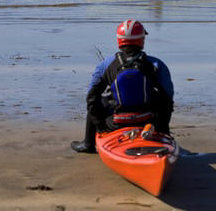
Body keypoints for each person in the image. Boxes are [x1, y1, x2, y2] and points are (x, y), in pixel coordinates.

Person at [70, 19, 174, 153]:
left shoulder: (105, 65)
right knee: (159, 98)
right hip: (148, 121)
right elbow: (168, 98)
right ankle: (164, 134)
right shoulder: (157, 65)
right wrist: (161, 127)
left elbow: (91, 98)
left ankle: (88, 143)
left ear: (119, 40)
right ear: (142, 40)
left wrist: (100, 126)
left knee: (99, 101)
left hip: (115, 123)